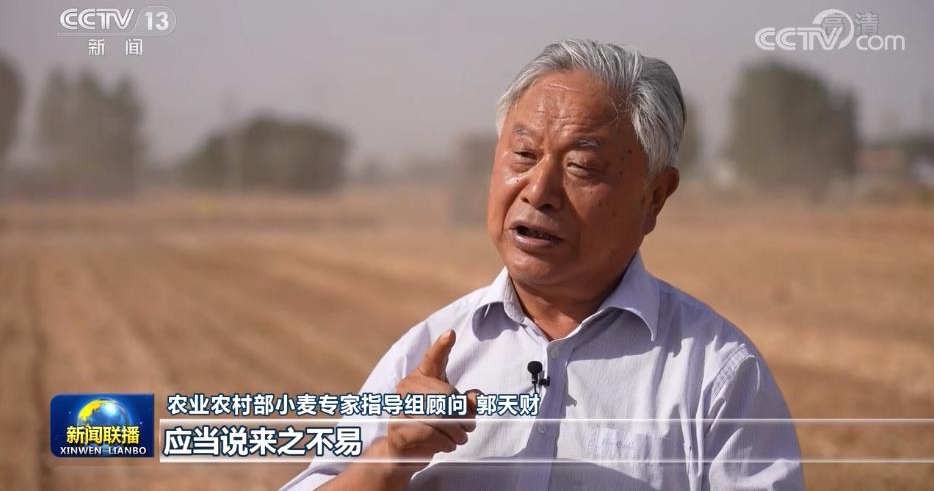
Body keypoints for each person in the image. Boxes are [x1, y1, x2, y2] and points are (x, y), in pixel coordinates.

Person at [283, 39, 803, 490]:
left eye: (581, 166)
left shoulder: (717, 374)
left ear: (655, 197)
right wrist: (390, 459)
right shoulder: (423, 357)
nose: (539, 190)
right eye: (524, 155)